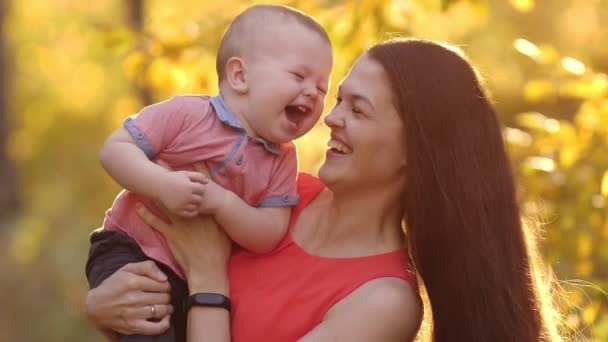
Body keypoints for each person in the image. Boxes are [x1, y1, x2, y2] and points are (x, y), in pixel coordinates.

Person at [85, 38, 561, 342]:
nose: (330, 119)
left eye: (359, 109)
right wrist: (105, 304)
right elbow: (152, 269)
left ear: (413, 150)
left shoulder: (383, 303)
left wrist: (209, 279)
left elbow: (198, 277)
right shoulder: (271, 197)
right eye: (338, 100)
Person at [85, 4, 332, 341]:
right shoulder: (187, 114)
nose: (311, 93)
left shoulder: (283, 160)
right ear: (240, 76)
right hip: (131, 247)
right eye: (298, 76)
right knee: (147, 325)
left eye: (321, 89)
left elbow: (269, 232)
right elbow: (114, 150)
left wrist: (222, 204)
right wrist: (162, 185)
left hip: (193, 275)